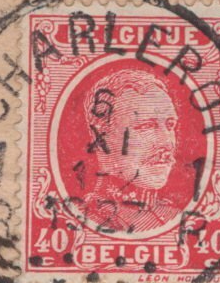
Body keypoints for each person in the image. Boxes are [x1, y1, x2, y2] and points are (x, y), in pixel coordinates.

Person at [74, 66, 186, 235]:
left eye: (170, 125)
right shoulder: (82, 218)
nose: (167, 143)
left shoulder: (176, 217)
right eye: (147, 126)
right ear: (101, 137)